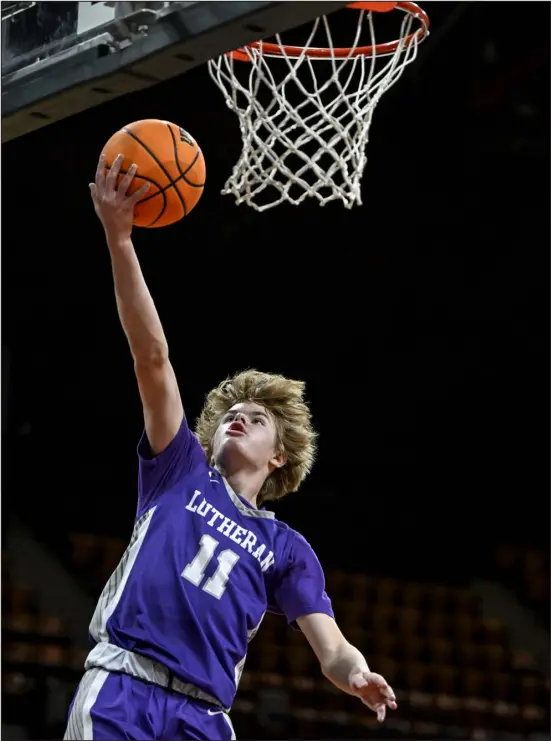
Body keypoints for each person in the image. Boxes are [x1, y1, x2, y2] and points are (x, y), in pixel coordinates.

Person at [64, 154, 397, 740]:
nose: (237, 419)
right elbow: (153, 358)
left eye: (256, 418)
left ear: (280, 457)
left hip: (204, 717)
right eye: (229, 415)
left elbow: (332, 647)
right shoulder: (179, 469)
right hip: (125, 686)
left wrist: (357, 673)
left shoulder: (286, 548)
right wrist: (120, 239)